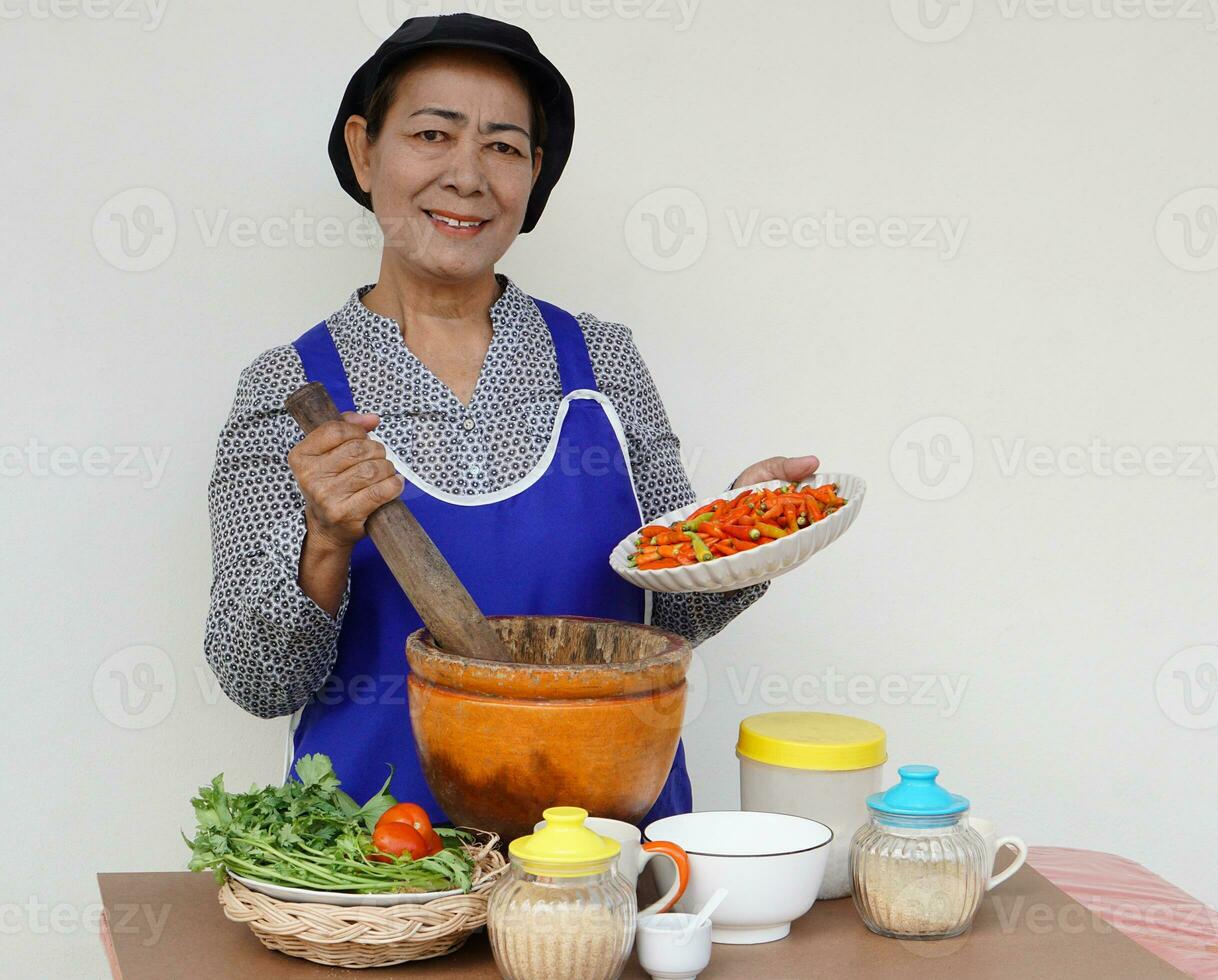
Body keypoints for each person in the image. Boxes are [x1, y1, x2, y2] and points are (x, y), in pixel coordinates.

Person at [203, 13, 820, 826]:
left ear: (533, 174)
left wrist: (743, 536)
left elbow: (664, 617)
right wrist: (324, 542)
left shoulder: (602, 364)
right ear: (363, 150)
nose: (467, 176)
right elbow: (258, 680)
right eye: (432, 133)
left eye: (502, 146)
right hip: (385, 871)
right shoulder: (289, 388)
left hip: (606, 857)